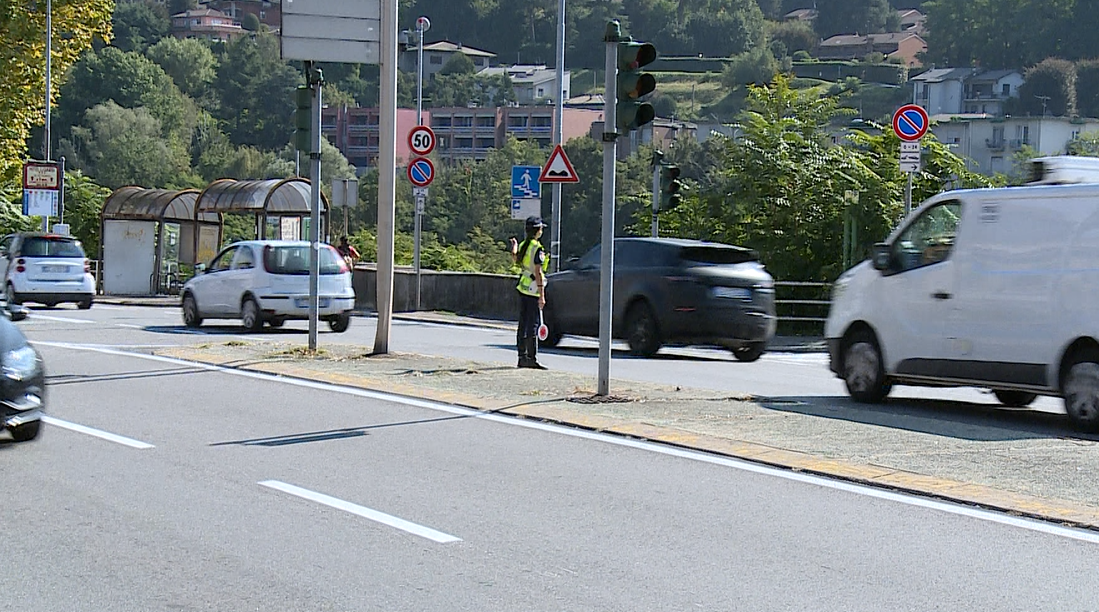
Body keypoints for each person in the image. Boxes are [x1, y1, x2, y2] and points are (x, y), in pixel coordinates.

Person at [509, 216, 550, 369]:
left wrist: (514, 246)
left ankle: (521, 356)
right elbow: (538, 272)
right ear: (538, 231)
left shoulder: (525, 245)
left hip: (523, 287)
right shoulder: (537, 248)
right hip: (533, 289)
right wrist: (542, 295)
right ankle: (531, 358)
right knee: (533, 324)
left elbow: (515, 258)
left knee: (522, 324)